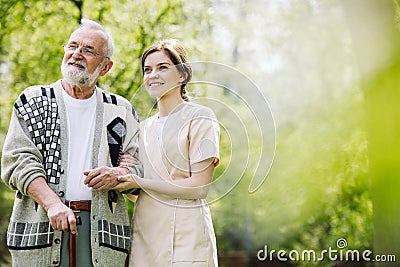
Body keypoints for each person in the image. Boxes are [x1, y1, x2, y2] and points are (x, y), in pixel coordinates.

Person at [1, 18, 141, 266]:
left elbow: (138, 170)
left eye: (88, 50)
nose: (77, 54)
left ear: (105, 67)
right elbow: (17, 162)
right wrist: (52, 203)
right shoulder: (32, 101)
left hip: (103, 236)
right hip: (40, 229)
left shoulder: (121, 110)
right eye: (72, 46)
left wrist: (118, 175)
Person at [114, 39, 220, 266]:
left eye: (162, 67)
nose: (153, 75)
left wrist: (141, 182)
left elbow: (200, 187)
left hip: (186, 236)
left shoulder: (200, 118)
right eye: (147, 70)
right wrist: (123, 181)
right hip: (146, 235)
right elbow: (142, 190)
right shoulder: (142, 128)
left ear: (182, 75)